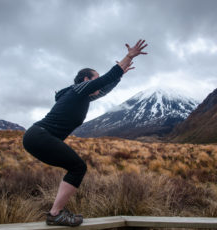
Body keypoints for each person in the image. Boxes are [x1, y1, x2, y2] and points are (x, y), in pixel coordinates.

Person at [22, 39, 148, 226]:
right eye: (95, 78)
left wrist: (120, 74)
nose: (98, 82)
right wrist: (127, 57)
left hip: (37, 138)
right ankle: (56, 213)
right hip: (39, 135)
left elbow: (104, 88)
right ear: (86, 80)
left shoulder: (82, 96)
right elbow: (106, 79)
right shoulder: (77, 89)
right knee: (78, 167)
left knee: (75, 167)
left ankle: (56, 212)